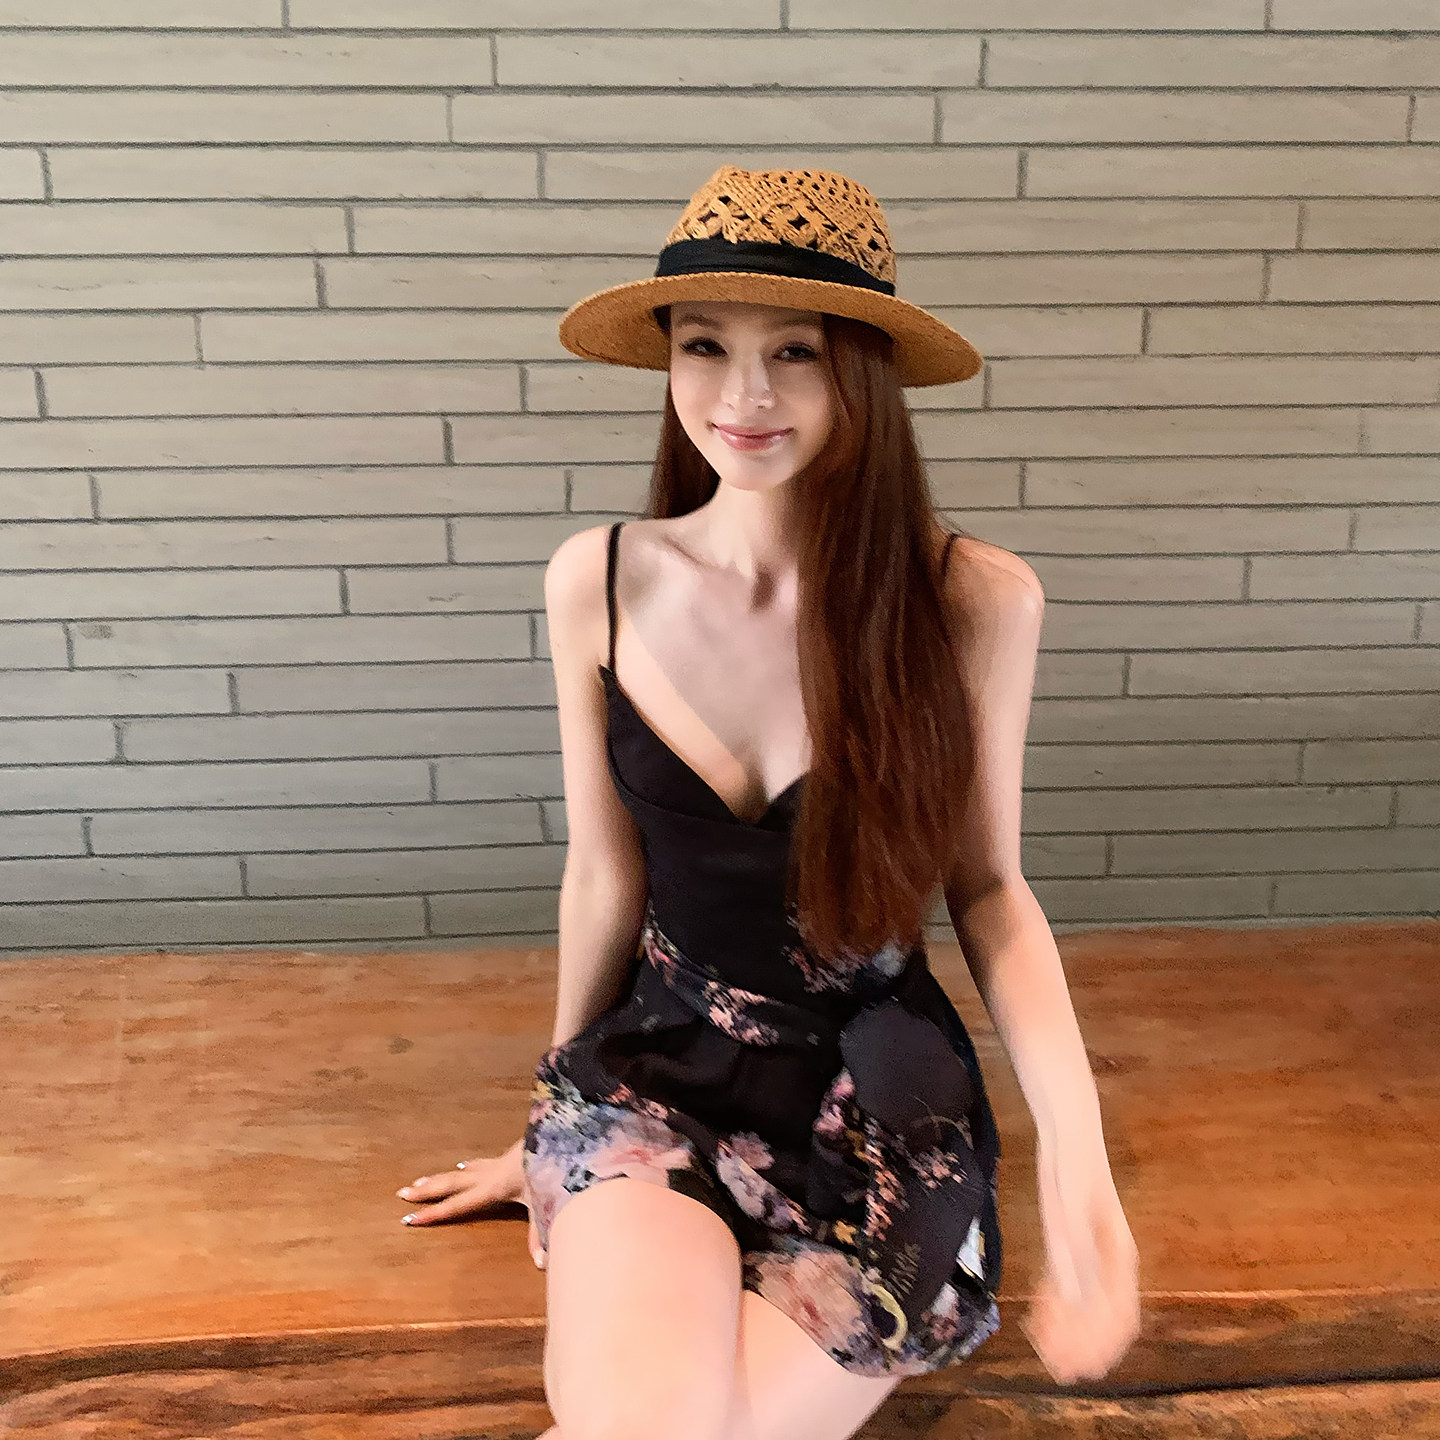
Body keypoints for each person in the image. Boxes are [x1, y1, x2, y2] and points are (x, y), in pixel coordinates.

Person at [394, 166, 1141, 1440]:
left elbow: (989, 892)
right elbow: (605, 874)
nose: (743, 397)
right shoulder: (598, 580)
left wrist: (1082, 1169)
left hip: (876, 1105)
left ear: (863, 373)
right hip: (656, 1074)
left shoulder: (973, 601)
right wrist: (551, 1109)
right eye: (704, 347)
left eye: (794, 351)